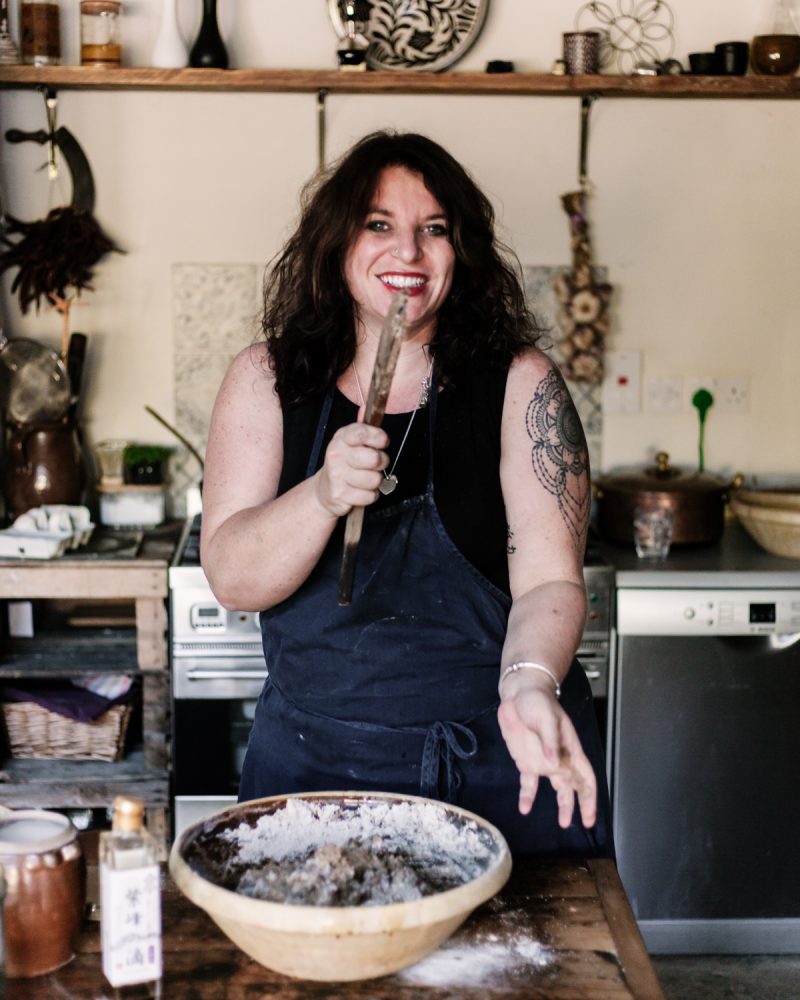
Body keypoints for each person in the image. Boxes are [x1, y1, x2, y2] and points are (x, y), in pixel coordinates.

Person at [200, 130, 613, 857]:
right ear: (336, 244)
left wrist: (529, 684)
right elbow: (234, 578)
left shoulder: (520, 385)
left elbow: (550, 578)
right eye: (379, 226)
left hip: (499, 764)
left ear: (463, 251)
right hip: (315, 773)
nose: (410, 254)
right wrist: (323, 494)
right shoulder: (268, 379)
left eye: (434, 230)